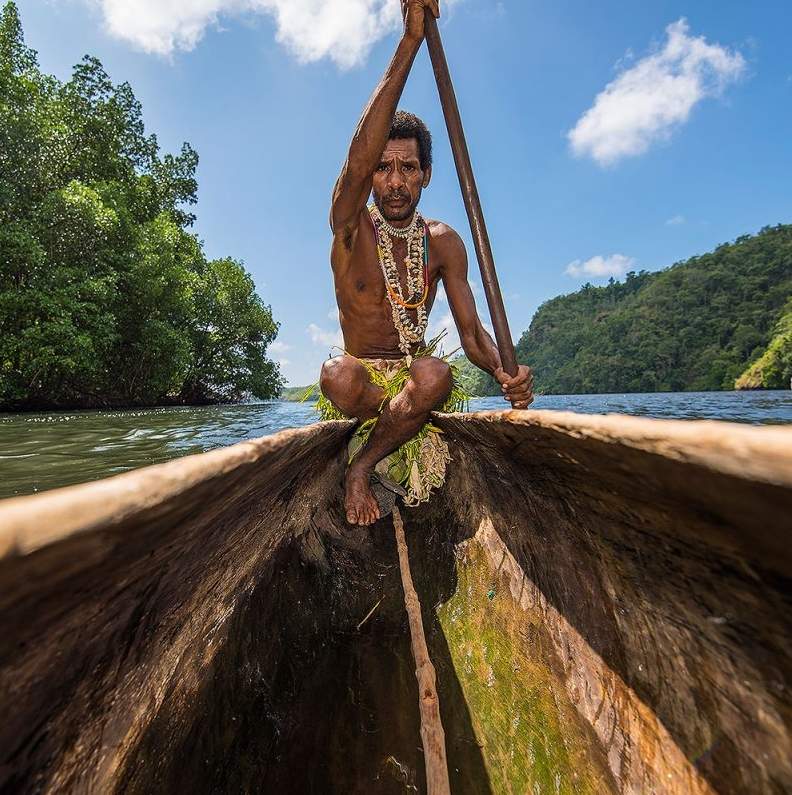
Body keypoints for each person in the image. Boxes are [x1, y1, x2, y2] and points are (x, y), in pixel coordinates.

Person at [321, 0, 533, 526]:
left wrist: (505, 372)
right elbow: (354, 165)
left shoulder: (442, 242)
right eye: (384, 168)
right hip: (364, 386)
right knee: (337, 376)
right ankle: (392, 430)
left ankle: (362, 465)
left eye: (409, 168)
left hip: (417, 384)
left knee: (437, 373)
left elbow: (472, 332)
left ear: (426, 175)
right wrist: (410, 41)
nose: (395, 182)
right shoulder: (350, 228)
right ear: (371, 175)